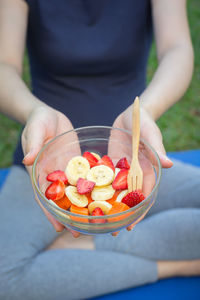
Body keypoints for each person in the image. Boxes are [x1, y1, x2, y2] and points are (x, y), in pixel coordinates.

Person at [0, 0, 200, 299]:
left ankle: (80, 244)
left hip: (132, 162)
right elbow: (4, 65)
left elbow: (177, 50)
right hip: (46, 163)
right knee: (4, 279)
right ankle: (179, 265)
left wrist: (144, 111)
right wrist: (34, 112)